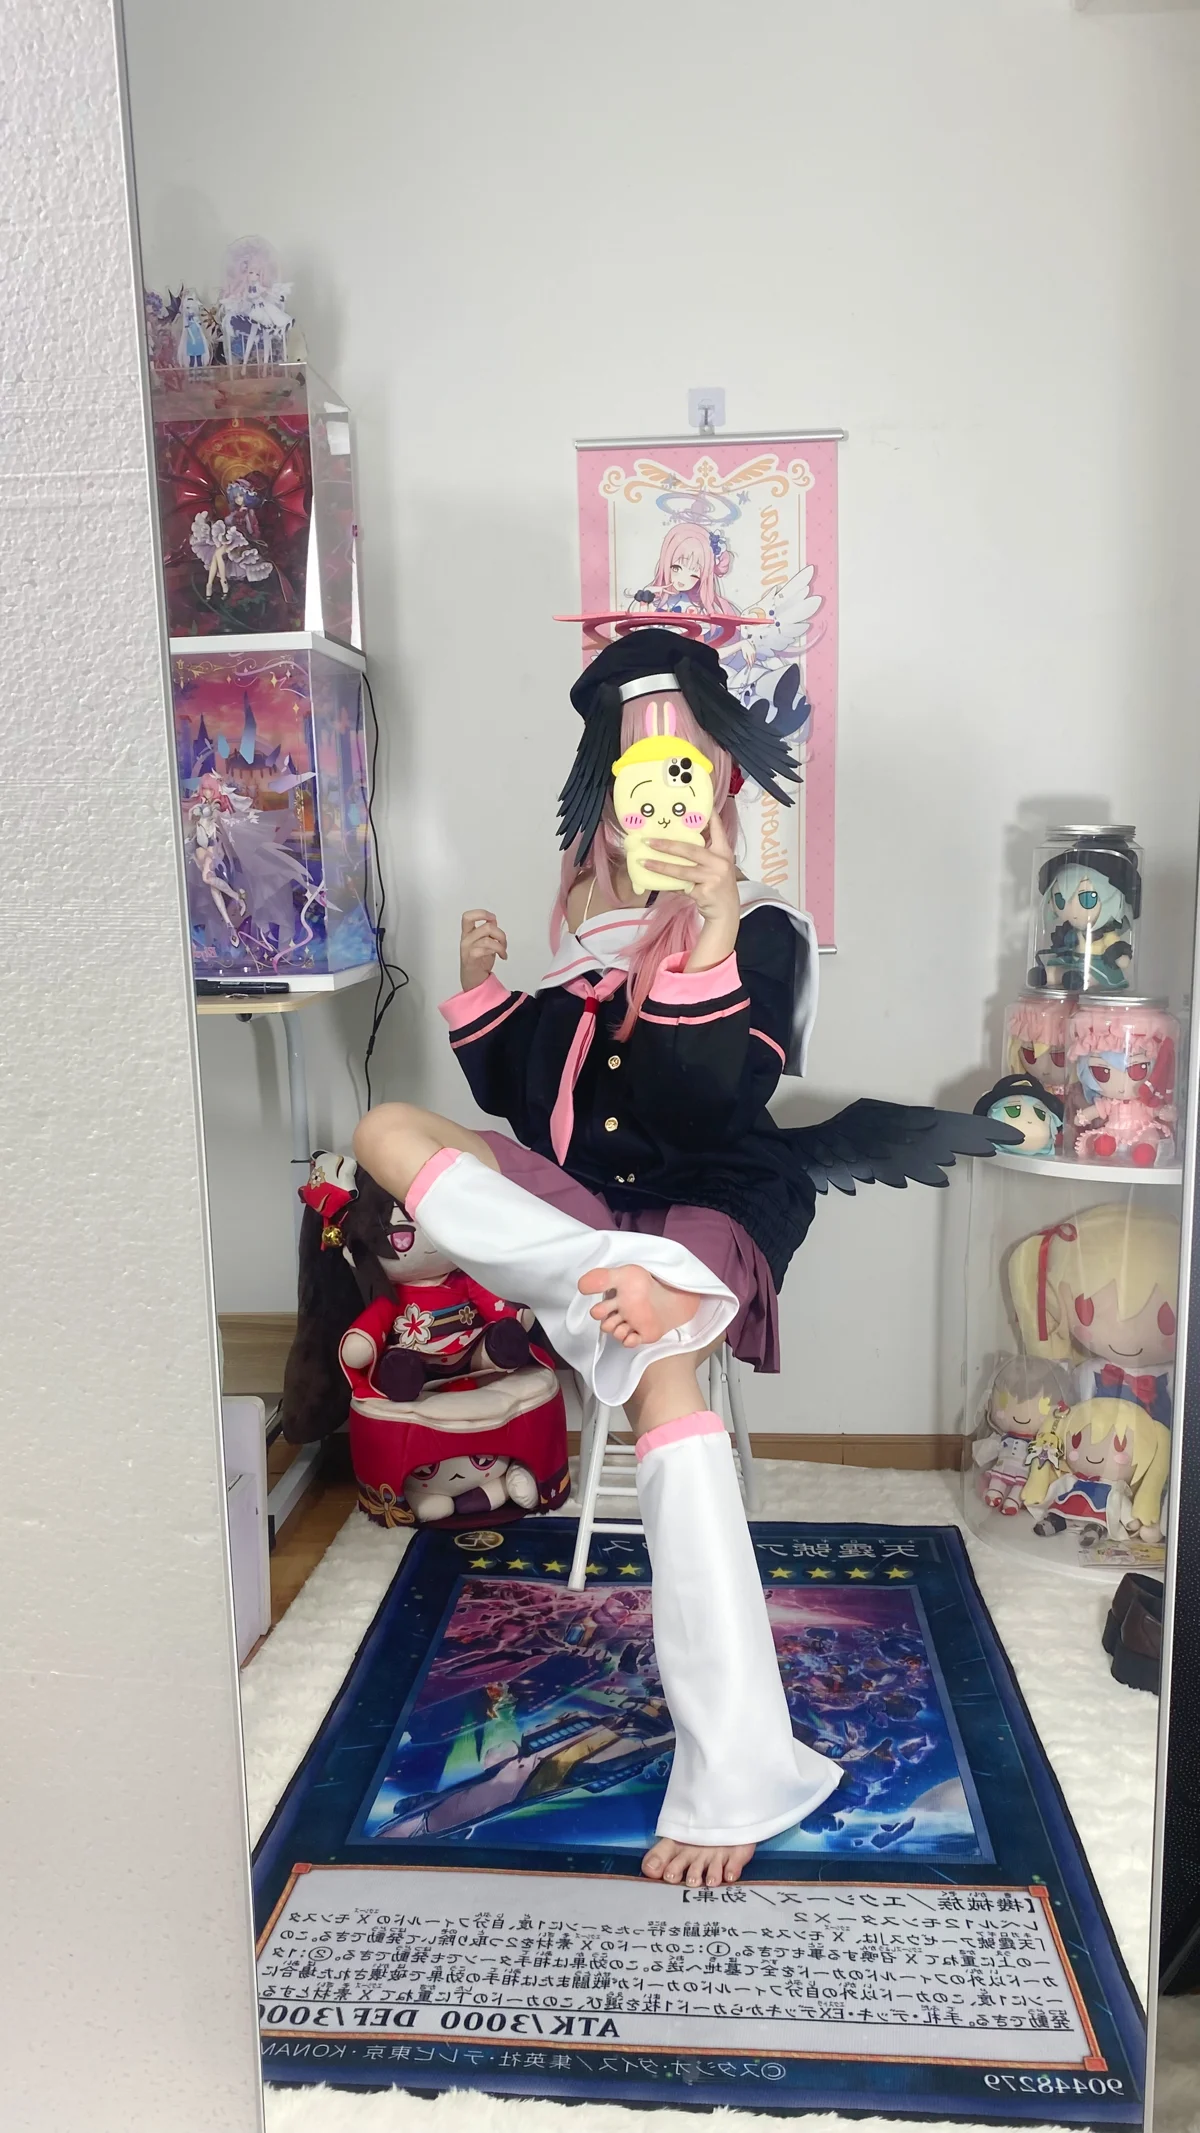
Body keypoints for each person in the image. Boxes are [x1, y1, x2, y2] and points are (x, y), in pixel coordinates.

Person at [354, 628, 1012, 1890]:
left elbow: (712, 1107)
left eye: (680, 775)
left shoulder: (766, 934)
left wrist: (707, 935)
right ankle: (616, 1283)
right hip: (591, 1215)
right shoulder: (581, 945)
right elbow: (526, 1106)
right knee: (386, 1128)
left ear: (718, 791)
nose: (649, 807)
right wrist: (487, 986)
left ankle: (741, 1771)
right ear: (603, 803)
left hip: (714, 1199)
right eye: (628, 782)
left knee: (665, 1383)